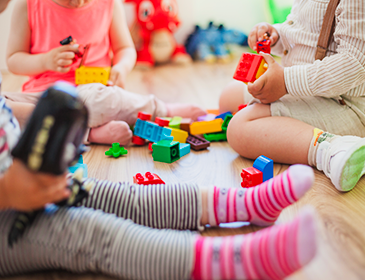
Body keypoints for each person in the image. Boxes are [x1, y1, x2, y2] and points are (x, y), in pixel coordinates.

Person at [4, 0, 206, 145]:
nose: (78, 2)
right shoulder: (28, 5)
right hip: (42, 96)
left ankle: (161, 110)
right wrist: (45, 60)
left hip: (91, 91)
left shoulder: (108, 4)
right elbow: (13, 60)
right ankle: (90, 133)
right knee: (5, 108)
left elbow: (124, 49)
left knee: (101, 99)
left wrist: (121, 68)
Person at [219, 0, 365, 192]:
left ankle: (333, 148)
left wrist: (287, 82)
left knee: (238, 130)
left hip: (346, 104)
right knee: (227, 98)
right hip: (309, 88)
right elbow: (305, 36)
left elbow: (354, 64)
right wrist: (277, 36)